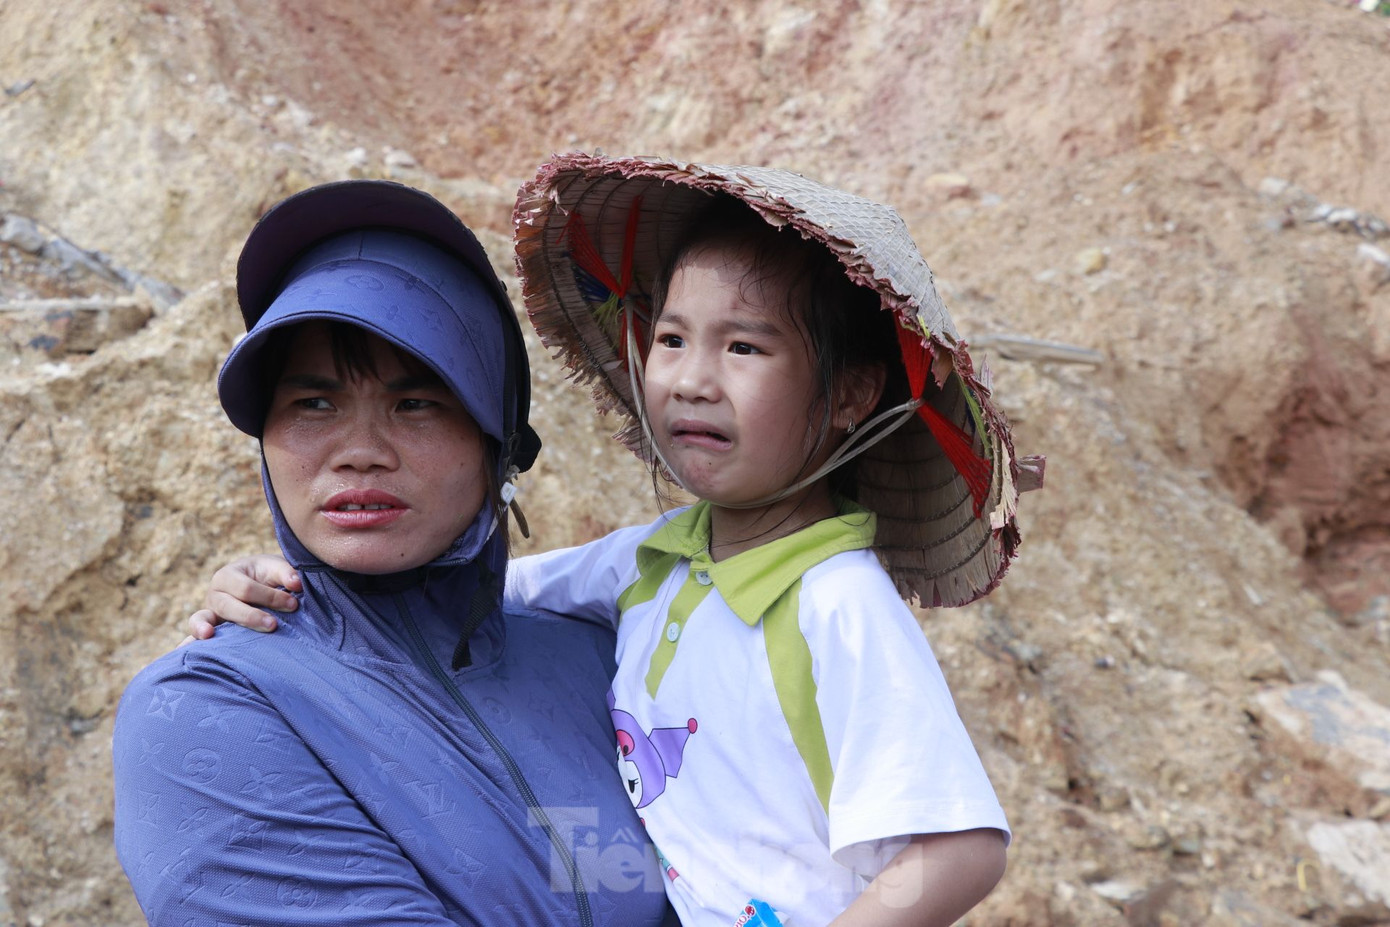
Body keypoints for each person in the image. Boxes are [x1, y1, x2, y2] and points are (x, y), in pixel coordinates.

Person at [197, 155, 1045, 926]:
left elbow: (959, 847)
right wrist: (267, 588)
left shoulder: (835, 602)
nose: (690, 380)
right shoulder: (652, 563)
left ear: (854, 391)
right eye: (672, 339)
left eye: (744, 346)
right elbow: (451, 591)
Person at [112, 179, 672, 926]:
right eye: (313, 404)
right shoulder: (206, 709)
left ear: (496, 443)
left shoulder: (605, 663)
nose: (361, 453)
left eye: (417, 403)